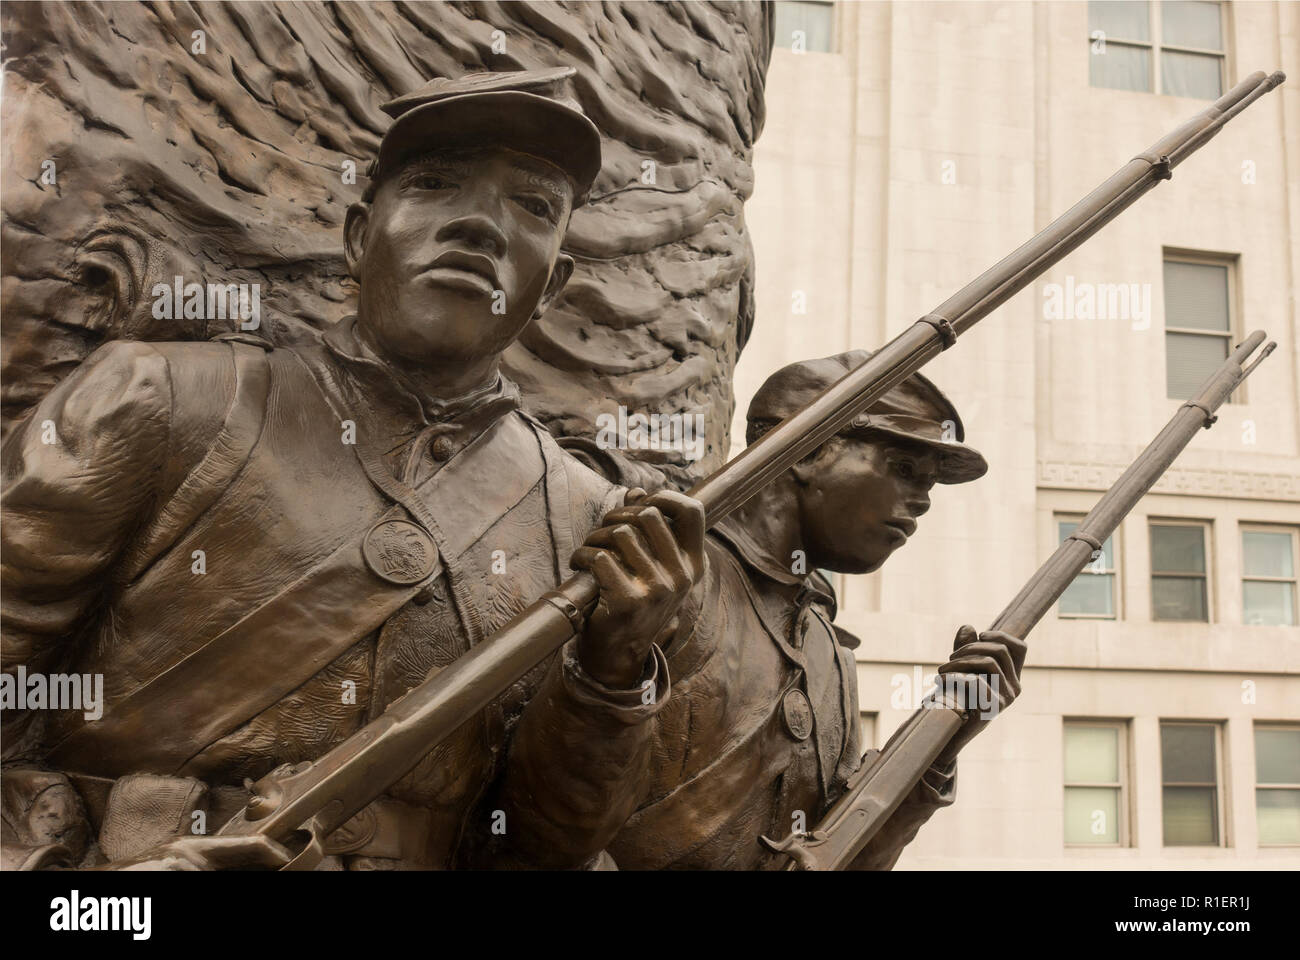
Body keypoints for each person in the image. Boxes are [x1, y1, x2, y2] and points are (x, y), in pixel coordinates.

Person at [0, 67, 705, 871]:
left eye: (535, 207)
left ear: (555, 285)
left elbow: (547, 846)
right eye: (436, 185)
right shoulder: (159, 396)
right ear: (360, 235)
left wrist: (613, 675)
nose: (480, 223)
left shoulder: (587, 517)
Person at [605, 350, 1026, 869]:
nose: (923, 501)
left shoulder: (827, 651)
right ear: (805, 450)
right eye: (903, 468)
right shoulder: (665, 577)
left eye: (930, 483)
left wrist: (938, 741)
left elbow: (839, 855)